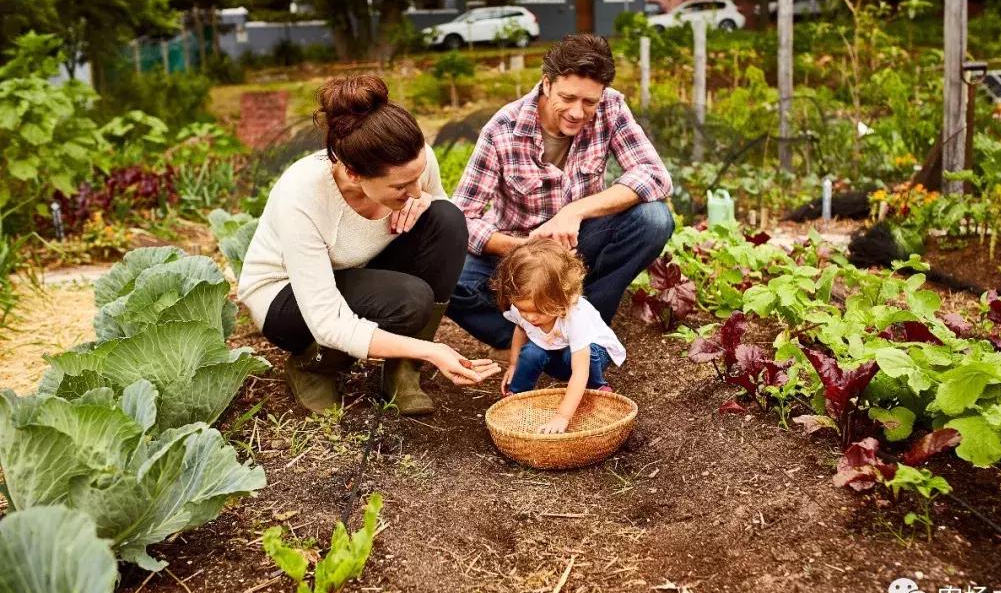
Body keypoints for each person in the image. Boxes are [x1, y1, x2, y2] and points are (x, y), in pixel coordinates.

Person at [238, 74, 499, 416]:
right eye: (401, 187)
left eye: (418, 178)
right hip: (286, 299)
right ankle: (314, 366)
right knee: (409, 300)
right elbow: (327, 321)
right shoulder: (302, 195)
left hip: (357, 273)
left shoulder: (410, 162)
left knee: (447, 219)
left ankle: (402, 371)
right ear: (353, 173)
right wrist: (432, 351)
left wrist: (426, 201)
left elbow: (436, 211)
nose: (415, 191)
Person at [448, 33, 674, 353]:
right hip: (517, 254)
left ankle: (586, 327)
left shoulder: (611, 107)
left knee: (654, 219)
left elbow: (654, 174)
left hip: (578, 247)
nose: (577, 112)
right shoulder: (503, 129)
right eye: (567, 98)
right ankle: (532, 338)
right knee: (447, 279)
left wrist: (574, 212)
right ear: (546, 83)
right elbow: (461, 217)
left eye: (589, 102)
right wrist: (522, 247)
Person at [493, 239, 626, 434]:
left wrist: (562, 416)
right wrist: (513, 365)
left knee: (576, 356)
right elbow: (520, 329)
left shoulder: (575, 316)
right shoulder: (523, 308)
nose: (530, 317)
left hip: (592, 355)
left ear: (562, 299)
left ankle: (597, 387)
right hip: (558, 352)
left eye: (539, 311)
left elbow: (580, 370)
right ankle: (517, 396)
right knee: (530, 352)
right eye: (523, 310)